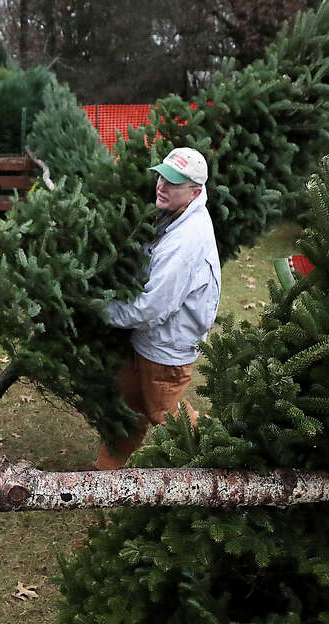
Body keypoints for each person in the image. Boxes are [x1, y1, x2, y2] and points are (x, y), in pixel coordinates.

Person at [93, 146, 221, 469]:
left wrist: (102, 309)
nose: (161, 186)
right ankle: (104, 476)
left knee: (169, 417)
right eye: (161, 177)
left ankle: (220, 465)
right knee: (128, 408)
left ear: (195, 192)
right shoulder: (175, 214)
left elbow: (151, 308)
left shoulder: (186, 242)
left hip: (167, 349)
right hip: (147, 340)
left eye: (173, 183)